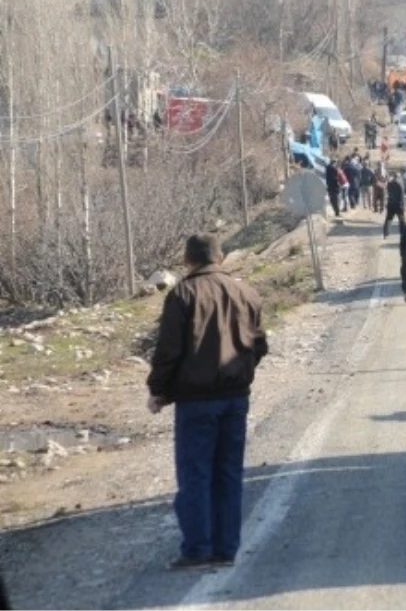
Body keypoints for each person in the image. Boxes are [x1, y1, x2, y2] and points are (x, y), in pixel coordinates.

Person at [146, 234, 268, 569]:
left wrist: (159, 390)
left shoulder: (182, 294)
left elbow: (169, 352)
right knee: (228, 473)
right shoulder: (247, 292)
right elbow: (259, 346)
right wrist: (240, 372)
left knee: (196, 474)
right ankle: (226, 549)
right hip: (235, 399)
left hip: (196, 402)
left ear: (187, 259)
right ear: (221, 257)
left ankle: (198, 548)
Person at [383, 173, 406, 238]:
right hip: (399, 205)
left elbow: (388, 193)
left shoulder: (389, 184)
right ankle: (403, 234)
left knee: (388, 219)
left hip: (390, 204)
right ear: (398, 177)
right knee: (402, 221)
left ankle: (386, 233)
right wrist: (403, 206)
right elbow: (402, 196)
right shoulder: (400, 184)